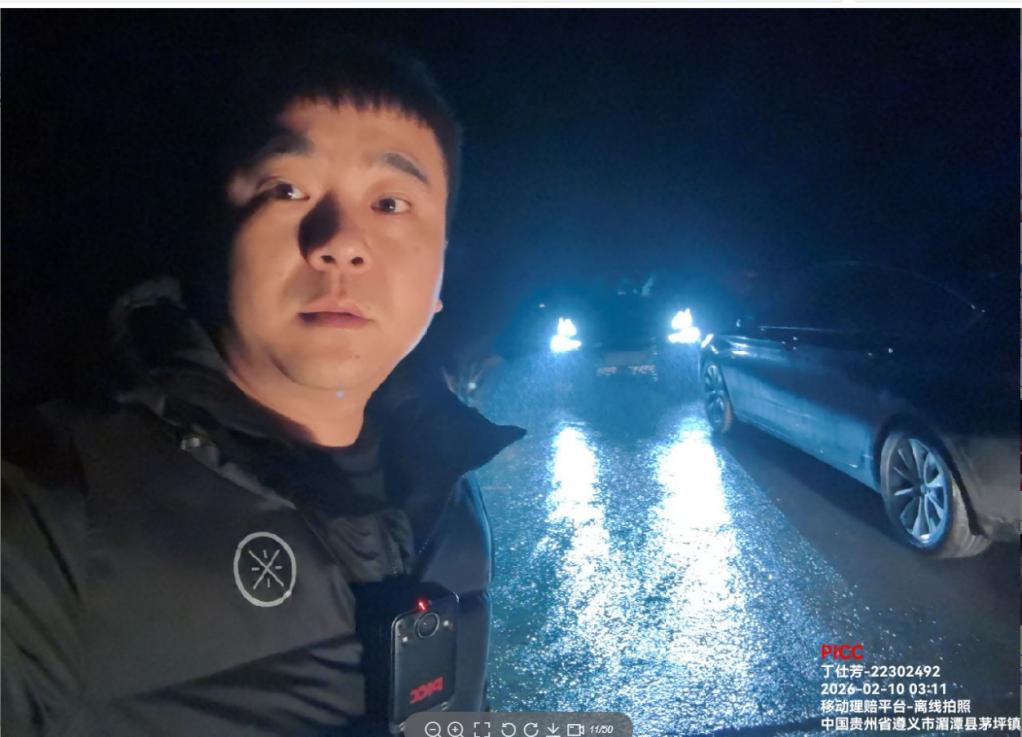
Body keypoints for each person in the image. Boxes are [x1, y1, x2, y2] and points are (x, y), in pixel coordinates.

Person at [2, 36, 525, 737]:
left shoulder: (447, 487)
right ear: (220, 238)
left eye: (391, 203)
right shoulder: (53, 518)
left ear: (439, 278)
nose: (340, 241)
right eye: (287, 190)